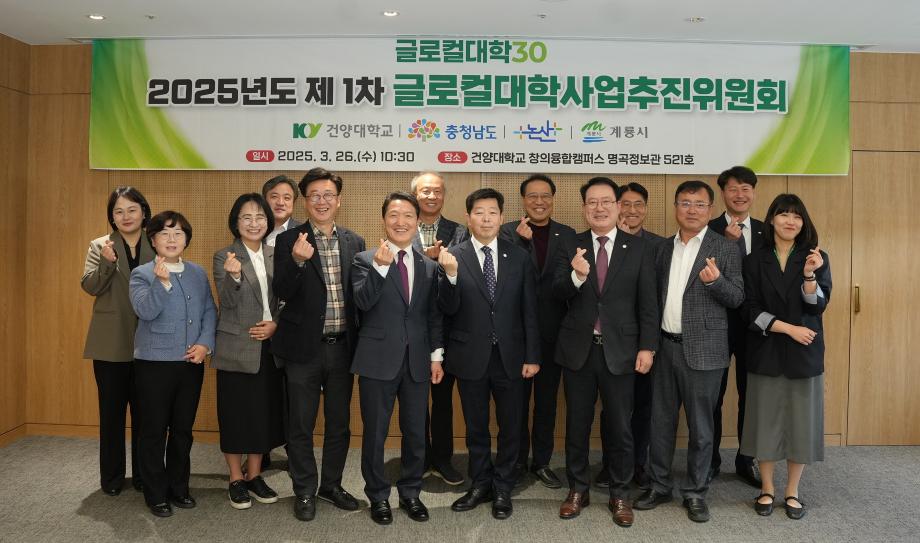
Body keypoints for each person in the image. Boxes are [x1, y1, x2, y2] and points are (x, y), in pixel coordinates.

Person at [634, 181, 744, 523]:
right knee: (660, 423)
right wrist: (648, 345)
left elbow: (737, 298)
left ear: (710, 210)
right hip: (664, 347)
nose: (691, 210)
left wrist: (715, 282)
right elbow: (650, 301)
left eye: (699, 204)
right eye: (685, 203)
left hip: (705, 352)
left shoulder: (725, 248)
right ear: (675, 208)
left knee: (701, 427)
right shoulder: (661, 249)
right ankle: (659, 485)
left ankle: (696, 491)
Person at [553, 177, 659, 527]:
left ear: (617, 206)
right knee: (577, 425)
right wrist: (576, 277)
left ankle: (620, 493)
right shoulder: (570, 243)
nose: (599, 208)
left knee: (620, 427)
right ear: (584, 208)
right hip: (579, 351)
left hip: (622, 351)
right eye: (592, 202)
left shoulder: (639, 248)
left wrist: (647, 347)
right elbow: (554, 292)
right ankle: (577, 490)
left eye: (606, 202)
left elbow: (648, 304)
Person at [438, 188, 540, 520]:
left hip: (512, 356)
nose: (486, 218)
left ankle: (503, 486)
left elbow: (529, 310)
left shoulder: (519, 256)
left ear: (501, 217)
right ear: (468, 218)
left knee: (511, 426)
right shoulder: (453, 255)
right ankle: (480, 483)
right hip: (470, 356)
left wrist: (533, 355)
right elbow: (446, 309)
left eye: (492, 212)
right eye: (479, 212)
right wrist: (450, 276)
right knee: (476, 426)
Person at [272, 167, 366, 522]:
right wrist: (297, 261)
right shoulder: (288, 240)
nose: (322, 201)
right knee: (301, 424)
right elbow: (282, 290)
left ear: (338, 201)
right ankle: (304, 490)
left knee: (339, 424)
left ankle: (331, 485)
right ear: (305, 201)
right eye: (315, 195)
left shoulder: (354, 241)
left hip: (342, 347)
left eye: (328, 195)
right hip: (302, 349)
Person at [352, 192, 445, 525]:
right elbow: (362, 302)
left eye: (408, 216)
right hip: (377, 359)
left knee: (416, 432)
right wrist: (379, 268)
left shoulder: (429, 265)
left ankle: (410, 493)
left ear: (417, 222)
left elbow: (433, 316)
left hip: (417, 360)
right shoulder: (365, 259)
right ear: (384, 220)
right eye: (393, 215)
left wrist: (436, 357)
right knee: (375, 433)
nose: (401, 222)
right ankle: (378, 496)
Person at [740, 194, 831, 520]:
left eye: (797, 216)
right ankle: (767, 488)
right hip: (766, 349)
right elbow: (749, 309)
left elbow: (817, 306)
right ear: (772, 219)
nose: (790, 221)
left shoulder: (816, 257)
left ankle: (792, 490)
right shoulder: (754, 260)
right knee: (765, 421)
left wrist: (809, 276)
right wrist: (788, 329)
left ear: (803, 223)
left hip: (804, 352)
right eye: (784, 215)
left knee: (800, 424)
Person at [129, 211, 217, 518]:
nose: (171, 239)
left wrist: (205, 344)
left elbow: (209, 311)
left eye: (178, 233)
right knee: (153, 430)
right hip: (154, 364)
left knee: (183, 430)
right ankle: (155, 493)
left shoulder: (197, 273)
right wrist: (162, 282)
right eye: (164, 233)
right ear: (153, 240)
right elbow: (145, 311)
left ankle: (179, 487)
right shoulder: (142, 274)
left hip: (190, 364)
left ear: (186, 239)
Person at [499, 174, 576, 490]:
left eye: (545, 196)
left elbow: (567, 283)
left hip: (553, 333)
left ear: (553, 199)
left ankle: (541, 461)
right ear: (523, 200)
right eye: (533, 196)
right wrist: (521, 242)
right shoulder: (507, 232)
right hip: (515, 334)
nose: (539, 201)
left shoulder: (567, 234)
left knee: (546, 403)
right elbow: (505, 276)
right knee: (515, 403)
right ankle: (517, 461)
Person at [212, 194, 285, 510]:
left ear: (268, 222)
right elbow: (226, 302)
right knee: (235, 415)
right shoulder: (224, 256)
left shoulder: (276, 254)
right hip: (236, 347)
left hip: (270, 347)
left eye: (260, 217)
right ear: (235, 222)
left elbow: (286, 299)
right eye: (246, 217)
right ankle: (235, 479)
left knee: (262, 415)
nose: (254, 223)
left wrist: (276, 325)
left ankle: (254, 476)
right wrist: (234, 276)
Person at [81, 186, 154, 496]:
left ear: (144, 212)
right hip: (110, 342)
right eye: (118, 211)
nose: (126, 216)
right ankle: (111, 478)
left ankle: (143, 475)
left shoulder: (158, 242)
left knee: (146, 415)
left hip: (150, 342)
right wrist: (107, 263)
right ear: (111, 217)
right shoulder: (100, 245)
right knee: (111, 414)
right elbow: (90, 286)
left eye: (132, 210)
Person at [596, 181, 664, 490]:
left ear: (646, 209)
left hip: (645, 341)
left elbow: (655, 298)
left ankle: (637, 464)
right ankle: (609, 464)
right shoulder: (599, 242)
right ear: (615, 207)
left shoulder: (658, 245)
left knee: (643, 406)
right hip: (611, 343)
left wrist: (649, 344)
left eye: (639, 204)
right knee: (612, 409)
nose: (632, 210)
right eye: (626, 203)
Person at [708, 166, 766, 487]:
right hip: (717, 324)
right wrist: (725, 245)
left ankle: (746, 459)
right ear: (723, 194)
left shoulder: (766, 231)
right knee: (712, 396)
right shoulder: (709, 229)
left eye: (746, 188)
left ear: (753, 192)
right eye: (733, 189)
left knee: (751, 396)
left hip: (755, 328)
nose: (739, 195)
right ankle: (710, 460)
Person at [410, 170, 468, 486]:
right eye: (425, 191)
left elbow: (463, 276)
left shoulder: (459, 231)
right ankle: (418, 459)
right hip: (412, 330)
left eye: (437, 191)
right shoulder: (402, 227)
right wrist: (426, 260)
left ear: (444, 195)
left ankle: (443, 459)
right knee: (415, 400)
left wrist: (441, 266)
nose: (431, 196)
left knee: (443, 400)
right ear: (415, 195)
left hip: (446, 329)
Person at [263, 175, 302, 247]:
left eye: (286, 198)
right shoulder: (254, 229)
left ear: (293, 202)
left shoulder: (303, 233)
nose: (280, 203)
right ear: (264, 201)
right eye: (274, 197)